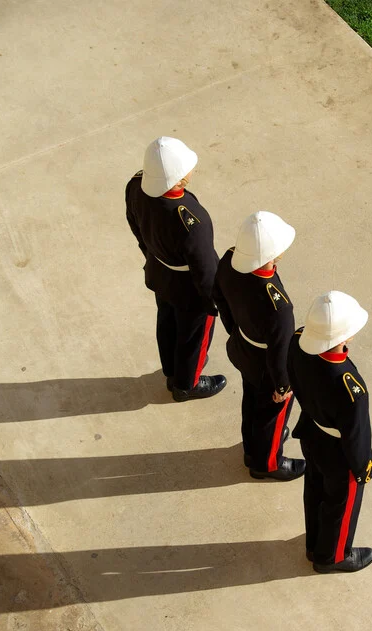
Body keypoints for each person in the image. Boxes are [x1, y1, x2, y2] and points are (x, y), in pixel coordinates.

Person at [125, 137, 226, 402]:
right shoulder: (192, 220)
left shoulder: (136, 186)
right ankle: (186, 384)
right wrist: (214, 303)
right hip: (189, 288)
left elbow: (135, 224)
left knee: (167, 321)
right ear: (179, 178)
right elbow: (204, 270)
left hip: (159, 271)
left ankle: (171, 368)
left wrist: (151, 255)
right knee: (193, 336)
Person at [287, 291, 372, 573]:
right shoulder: (351, 388)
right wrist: (364, 466)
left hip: (312, 433)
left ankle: (314, 542)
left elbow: (292, 376)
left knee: (314, 488)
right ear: (343, 338)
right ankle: (332, 556)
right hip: (339, 452)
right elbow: (356, 435)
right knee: (340, 504)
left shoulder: (297, 343)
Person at [213, 212, 306, 481]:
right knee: (272, 413)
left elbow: (219, 295)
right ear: (272, 256)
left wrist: (235, 331)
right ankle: (266, 462)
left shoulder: (230, 260)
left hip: (244, 349)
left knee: (251, 401)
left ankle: (252, 447)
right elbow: (279, 351)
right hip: (267, 366)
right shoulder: (279, 307)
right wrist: (283, 386)